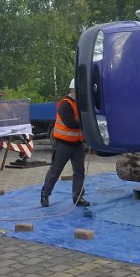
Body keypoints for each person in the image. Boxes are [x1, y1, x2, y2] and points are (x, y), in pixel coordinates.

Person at [40, 79, 90, 208]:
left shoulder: (81, 104)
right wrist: (87, 124)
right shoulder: (65, 104)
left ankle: (78, 197)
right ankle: (45, 194)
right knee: (55, 171)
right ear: (73, 90)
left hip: (77, 144)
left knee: (79, 171)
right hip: (64, 144)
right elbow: (70, 122)